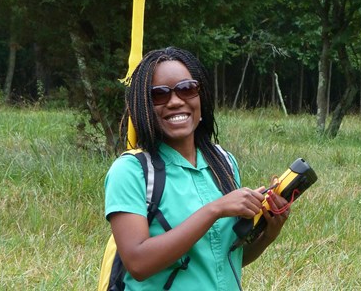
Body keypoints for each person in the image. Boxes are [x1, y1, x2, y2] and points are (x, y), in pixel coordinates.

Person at [104, 46, 290, 290]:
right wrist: (215, 209)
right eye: (159, 95)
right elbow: (138, 264)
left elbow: (223, 259)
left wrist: (269, 235)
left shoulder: (223, 162)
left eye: (186, 89)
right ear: (144, 106)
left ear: (201, 97)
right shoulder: (130, 171)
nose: (175, 101)